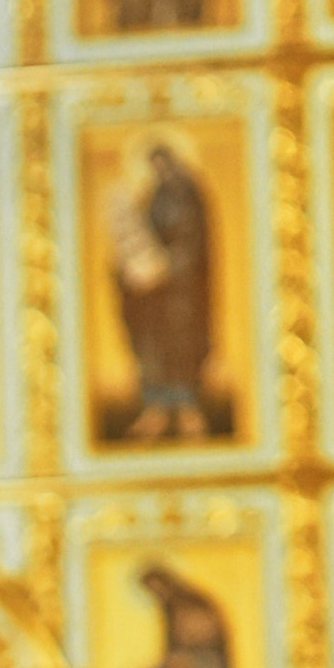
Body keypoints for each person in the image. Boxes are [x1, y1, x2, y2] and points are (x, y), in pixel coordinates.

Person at [108, 137, 215, 441]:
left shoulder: (188, 194)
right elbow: (136, 237)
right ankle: (155, 409)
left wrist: (167, 267)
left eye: (163, 162)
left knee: (182, 349)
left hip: (181, 295)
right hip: (152, 298)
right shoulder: (151, 195)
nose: (158, 169)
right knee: (151, 350)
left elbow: (194, 243)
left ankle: (188, 410)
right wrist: (130, 269)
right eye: (153, 164)